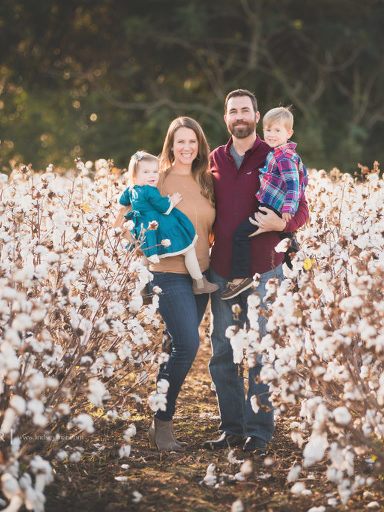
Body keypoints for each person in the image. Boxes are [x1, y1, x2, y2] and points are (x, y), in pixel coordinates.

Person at [204, 89, 310, 455]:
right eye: (233, 110)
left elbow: (302, 211)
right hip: (222, 269)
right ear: (226, 118)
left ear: (257, 115)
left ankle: (259, 432)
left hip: (264, 270)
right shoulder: (215, 158)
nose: (239, 116)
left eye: (245, 110)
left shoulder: (276, 154)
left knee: (262, 351)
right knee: (222, 351)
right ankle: (232, 428)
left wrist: (279, 223)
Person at [117, 117, 216, 451]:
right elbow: (123, 218)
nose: (187, 148)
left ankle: (158, 414)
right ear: (170, 146)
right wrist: (142, 249)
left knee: (175, 345)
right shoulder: (154, 178)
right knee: (188, 344)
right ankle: (163, 424)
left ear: (200, 145)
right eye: (180, 142)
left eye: (193, 142)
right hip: (168, 274)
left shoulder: (207, 180)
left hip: (200, 273)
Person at [220, 106, 308, 300]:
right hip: (272, 205)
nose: (272, 134)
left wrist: (287, 210)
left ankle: (240, 278)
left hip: (273, 207)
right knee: (287, 241)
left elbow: (294, 185)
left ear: (289, 133)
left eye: (277, 131)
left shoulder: (284, 156)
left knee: (242, 234)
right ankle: (302, 274)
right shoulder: (276, 153)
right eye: (268, 130)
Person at [118, 150, 218, 294]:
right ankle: (199, 281)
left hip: (141, 227)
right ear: (134, 175)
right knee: (188, 248)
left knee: (144, 256)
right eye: (146, 172)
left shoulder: (131, 189)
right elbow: (163, 207)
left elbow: (122, 202)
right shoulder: (149, 191)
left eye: (154, 171)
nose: (152, 175)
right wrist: (173, 200)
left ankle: (141, 288)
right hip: (157, 225)